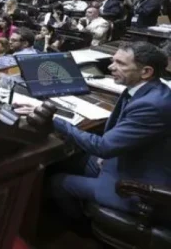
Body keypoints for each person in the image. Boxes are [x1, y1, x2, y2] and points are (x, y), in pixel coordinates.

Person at [34, 42, 171, 220]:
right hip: (120, 160)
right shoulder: (147, 89)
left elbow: (104, 147)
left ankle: (81, 229)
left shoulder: (152, 104)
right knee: (63, 162)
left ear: (146, 72)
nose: (110, 67)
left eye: (120, 64)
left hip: (135, 185)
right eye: (113, 61)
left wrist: (54, 120)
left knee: (57, 182)